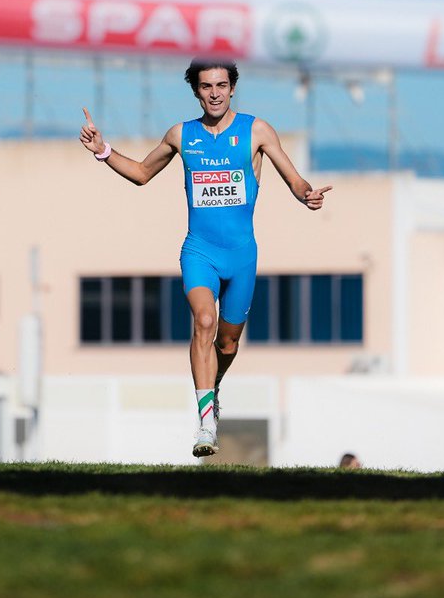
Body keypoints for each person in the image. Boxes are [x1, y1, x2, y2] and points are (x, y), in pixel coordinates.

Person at [80, 58, 332, 458]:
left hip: (242, 256)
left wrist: (307, 194)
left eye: (221, 85)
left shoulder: (257, 130)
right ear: (195, 91)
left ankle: (212, 388)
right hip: (199, 251)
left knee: (227, 345)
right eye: (205, 86)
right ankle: (206, 422)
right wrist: (103, 151)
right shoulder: (182, 135)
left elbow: (293, 177)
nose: (214, 93)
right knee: (204, 321)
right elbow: (143, 173)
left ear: (232, 88)